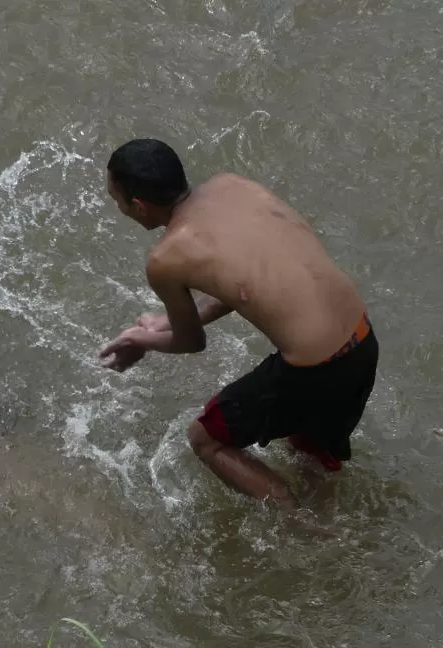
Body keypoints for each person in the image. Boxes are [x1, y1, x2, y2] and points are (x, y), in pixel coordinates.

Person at [99, 138, 379, 505]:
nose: (120, 209)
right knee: (308, 449)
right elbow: (248, 280)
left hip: (316, 369)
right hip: (362, 341)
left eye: (117, 201)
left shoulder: (166, 258)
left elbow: (191, 343)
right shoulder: (232, 185)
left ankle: (300, 525)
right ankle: (330, 513)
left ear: (139, 206)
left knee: (205, 439)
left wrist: (138, 340)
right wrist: (166, 321)